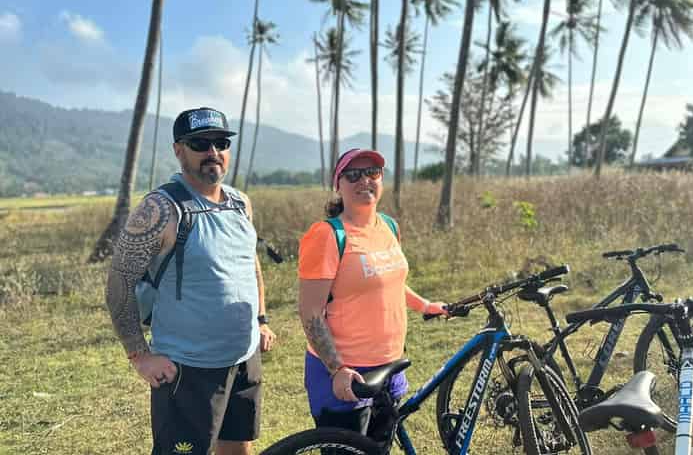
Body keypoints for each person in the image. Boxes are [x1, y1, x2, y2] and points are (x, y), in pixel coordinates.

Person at [105, 107, 277, 455]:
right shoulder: (161, 208)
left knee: (236, 449)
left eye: (220, 142)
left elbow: (250, 264)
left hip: (243, 359)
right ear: (179, 150)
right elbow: (119, 283)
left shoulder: (240, 203)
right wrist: (140, 356)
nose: (213, 152)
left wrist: (261, 320)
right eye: (200, 143)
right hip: (189, 368)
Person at [298, 148, 446, 434]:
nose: (364, 181)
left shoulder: (389, 226)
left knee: (381, 446)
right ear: (337, 185)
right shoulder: (327, 235)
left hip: (390, 365)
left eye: (372, 173)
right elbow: (310, 312)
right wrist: (337, 369)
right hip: (346, 372)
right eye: (352, 175)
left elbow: (388, 283)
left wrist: (425, 305)